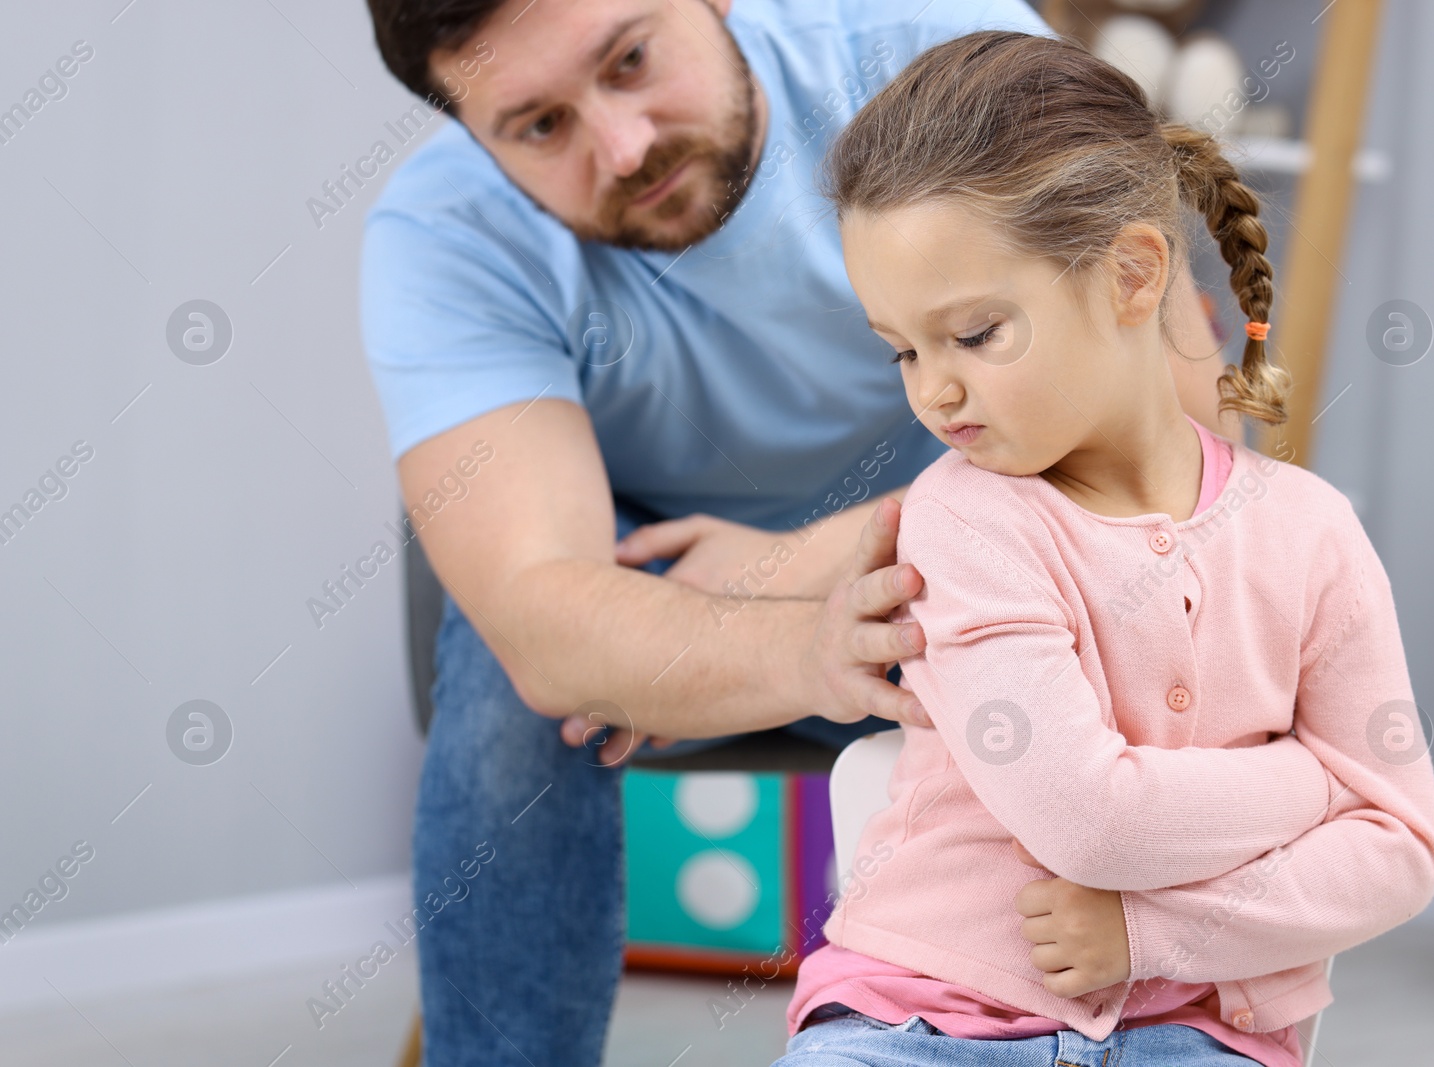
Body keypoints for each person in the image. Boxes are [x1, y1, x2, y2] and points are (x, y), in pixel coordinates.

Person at [359, 0, 1242, 1061]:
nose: (624, 146)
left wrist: (794, 566)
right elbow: (546, 616)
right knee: (518, 700)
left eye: (631, 59)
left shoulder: (937, 46)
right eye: (538, 127)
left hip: (968, 565)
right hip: (686, 589)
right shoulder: (444, 231)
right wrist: (801, 637)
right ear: (470, 133)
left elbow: (1175, 440)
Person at [774, 29, 1434, 1067]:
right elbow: (1087, 821)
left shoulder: (1311, 534)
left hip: (1202, 1032)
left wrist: (1154, 937)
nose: (932, 390)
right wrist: (1312, 785)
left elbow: (1399, 851)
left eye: (975, 333)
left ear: (1133, 275)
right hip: (921, 1019)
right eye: (903, 347)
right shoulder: (965, 517)